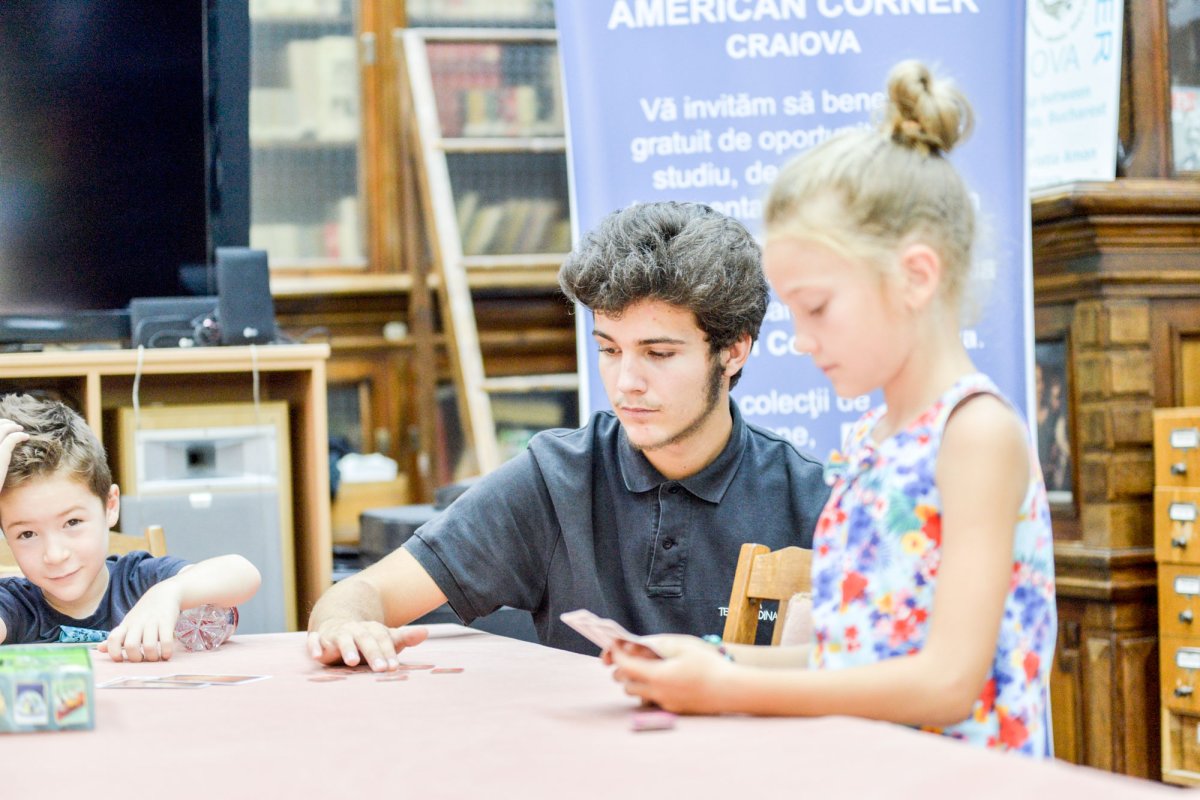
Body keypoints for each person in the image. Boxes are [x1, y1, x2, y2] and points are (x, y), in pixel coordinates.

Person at [609, 61, 1057, 758]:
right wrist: (708, 661)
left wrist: (729, 690)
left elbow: (946, 683)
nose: (804, 339)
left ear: (915, 275)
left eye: (817, 307)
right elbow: (851, 661)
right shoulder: (872, 440)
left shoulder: (977, 435)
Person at [307, 201, 830, 669]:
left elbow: (880, 672)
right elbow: (363, 592)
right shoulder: (557, 478)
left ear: (734, 350)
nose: (626, 383)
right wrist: (345, 627)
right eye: (609, 349)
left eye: (659, 354)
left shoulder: (812, 499)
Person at [0, 394, 261, 660]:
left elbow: (244, 573)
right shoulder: (14, 606)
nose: (55, 555)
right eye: (27, 534)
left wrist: (171, 593)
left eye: (72, 522)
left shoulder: (140, 581)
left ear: (110, 506)